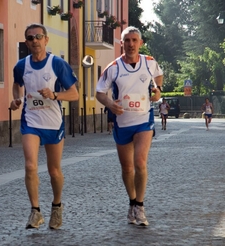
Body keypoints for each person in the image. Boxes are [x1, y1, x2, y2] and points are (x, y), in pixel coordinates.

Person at [10, 23, 79, 230]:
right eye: (30, 38)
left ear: (46, 40)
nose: (35, 41)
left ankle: (56, 206)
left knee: (54, 170)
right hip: (31, 121)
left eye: (38, 37)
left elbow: (74, 94)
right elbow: (17, 84)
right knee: (30, 165)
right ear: (26, 42)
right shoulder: (21, 66)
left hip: (53, 122)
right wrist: (16, 99)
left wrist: (55, 95)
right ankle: (35, 211)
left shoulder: (57, 64)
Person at [95, 26, 163, 226]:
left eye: (135, 40)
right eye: (127, 40)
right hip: (122, 122)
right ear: (121, 44)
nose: (131, 44)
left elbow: (159, 75)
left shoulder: (149, 62)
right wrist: (110, 104)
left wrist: (158, 90)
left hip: (144, 120)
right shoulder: (113, 68)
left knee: (140, 162)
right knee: (127, 168)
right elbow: (99, 92)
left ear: (140, 43)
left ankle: (140, 206)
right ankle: (132, 201)